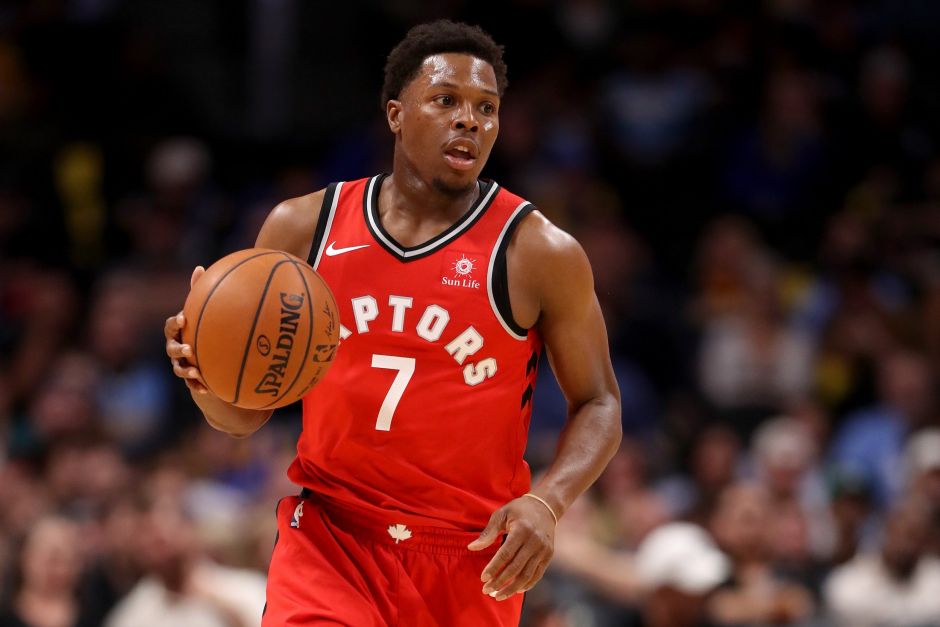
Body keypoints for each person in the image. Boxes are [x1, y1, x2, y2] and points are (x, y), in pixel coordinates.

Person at [164, 19, 622, 627]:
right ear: (396, 114)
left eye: (486, 107)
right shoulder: (304, 227)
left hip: (470, 554)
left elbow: (600, 402)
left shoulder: (537, 252)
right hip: (332, 538)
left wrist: (548, 501)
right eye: (446, 100)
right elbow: (244, 415)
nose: (470, 120)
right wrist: (204, 374)